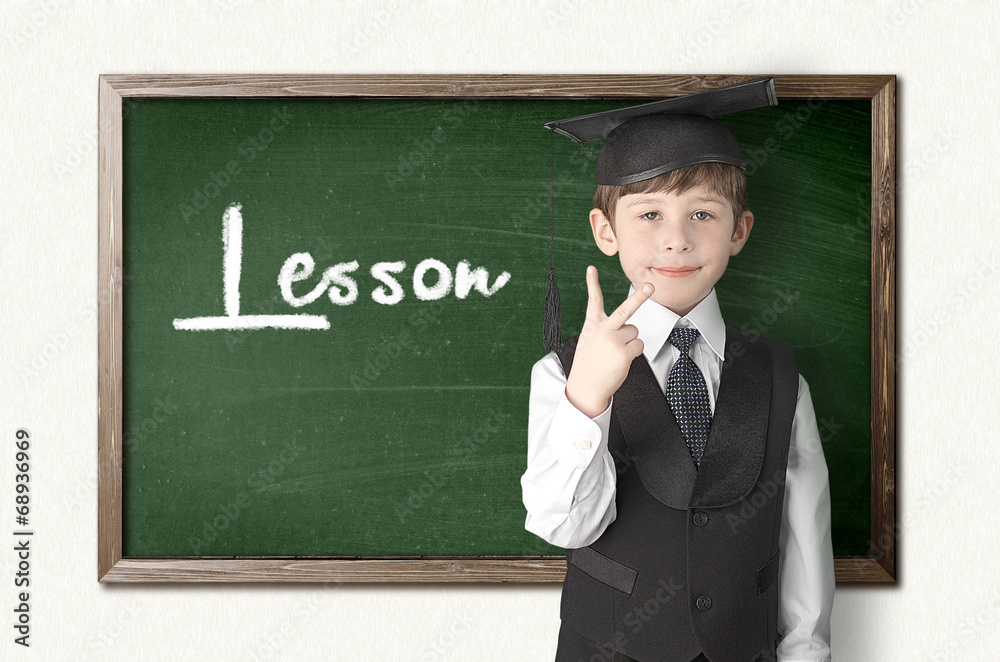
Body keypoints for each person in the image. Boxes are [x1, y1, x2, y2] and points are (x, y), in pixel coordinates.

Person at [521, 79, 834, 662]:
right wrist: (587, 398)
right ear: (605, 232)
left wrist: (807, 652)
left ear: (738, 230)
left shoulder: (781, 377)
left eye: (701, 214)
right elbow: (561, 526)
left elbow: (804, 537)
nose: (676, 240)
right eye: (649, 214)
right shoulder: (562, 373)